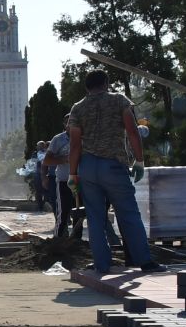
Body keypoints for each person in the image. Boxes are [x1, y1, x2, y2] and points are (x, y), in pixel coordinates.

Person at [64, 69, 157, 275]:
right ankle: (145, 261)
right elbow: (132, 131)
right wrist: (139, 161)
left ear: (87, 87)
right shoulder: (119, 101)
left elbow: (75, 145)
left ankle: (102, 265)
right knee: (128, 214)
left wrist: (73, 174)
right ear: (106, 83)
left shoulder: (78, 108)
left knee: (96, 217)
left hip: (88, 168)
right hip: (113, 165)